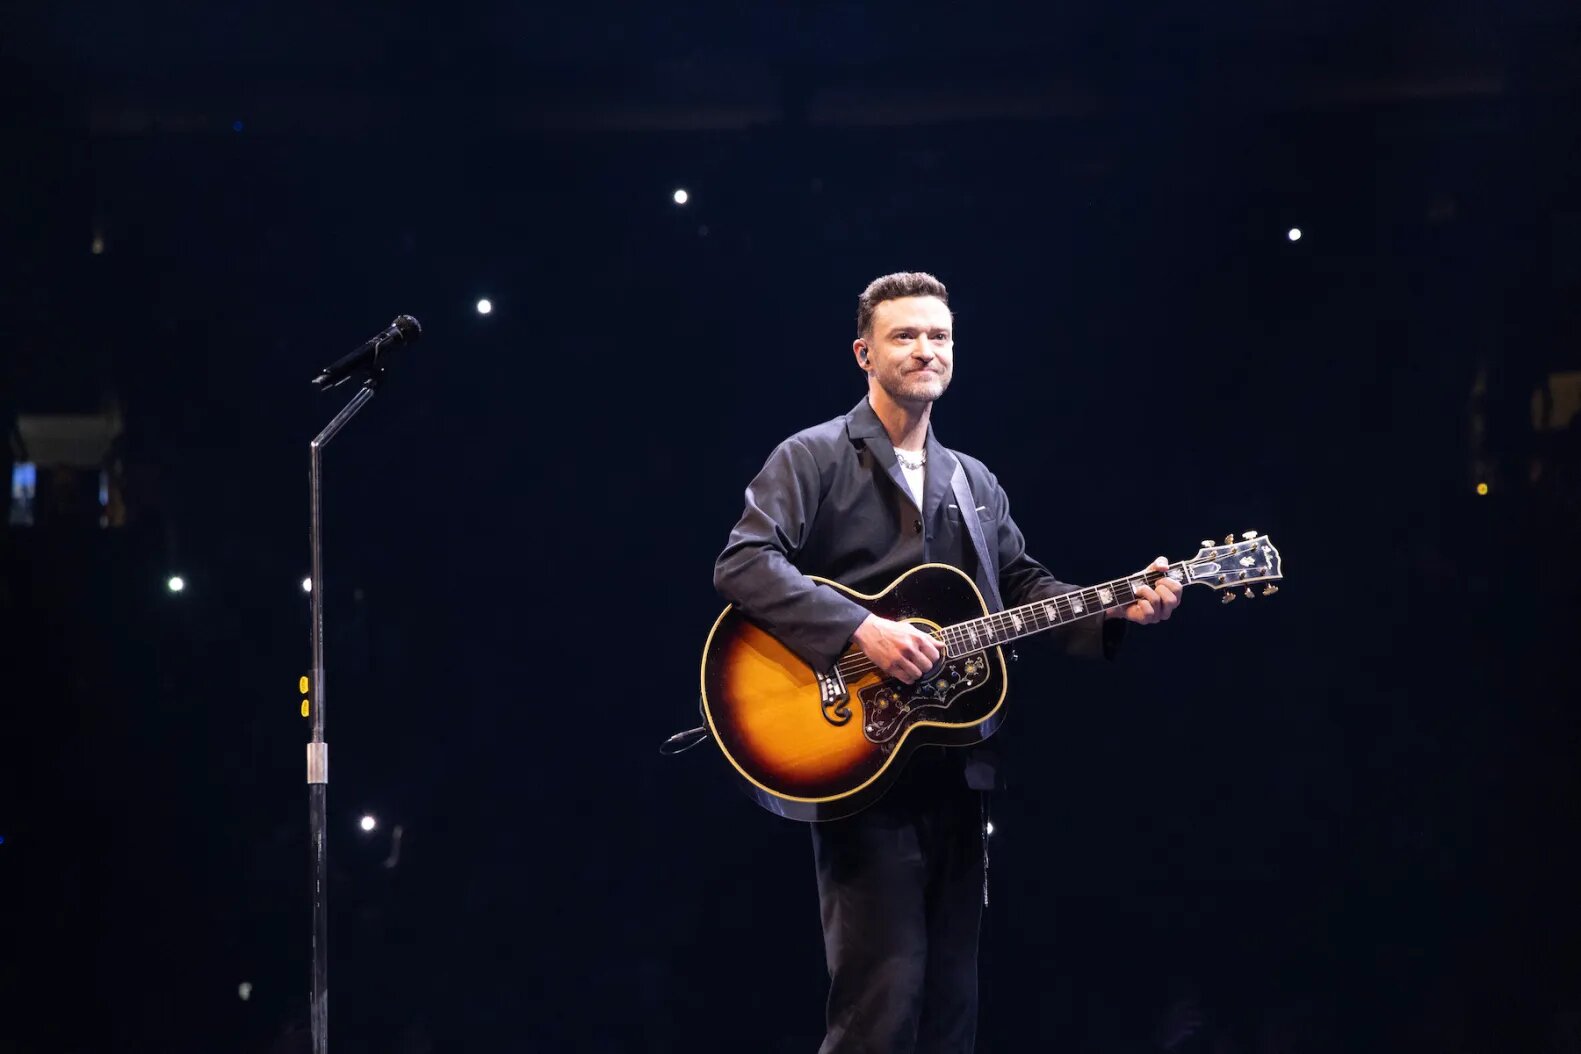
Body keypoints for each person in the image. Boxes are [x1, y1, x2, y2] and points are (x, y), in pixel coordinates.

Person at [712, 271, 1184, 1053]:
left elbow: (1023, 587)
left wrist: (1116, 605)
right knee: (879, 1006)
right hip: (855, 756)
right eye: (905, 335)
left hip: (955, 764)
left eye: (938, 336)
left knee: (949, 1009)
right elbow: (743, 563)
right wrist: (859, 629)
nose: (925, 349)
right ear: (864, 353)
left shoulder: (973, 481)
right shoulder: (814, 456)